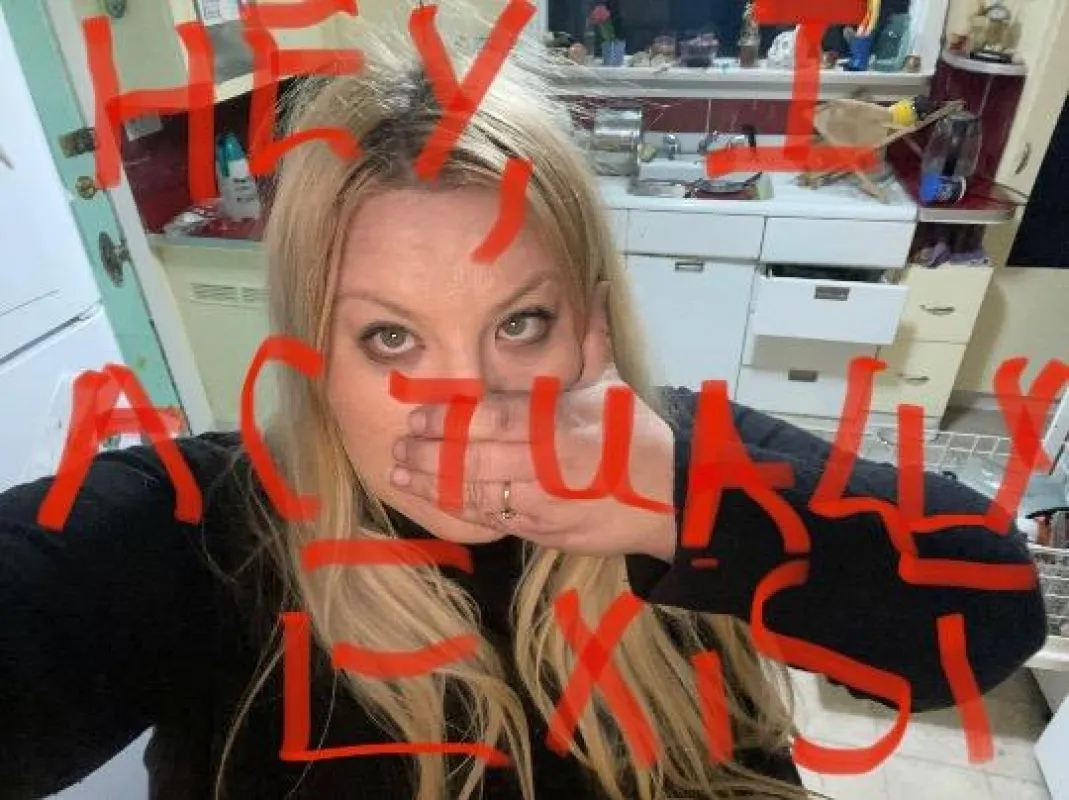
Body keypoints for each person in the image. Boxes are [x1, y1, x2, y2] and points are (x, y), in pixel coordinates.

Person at [0, 33, 1047, 800]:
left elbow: (989, 614)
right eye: (391, 337)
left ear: (588, 321)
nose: (470, 408)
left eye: (520, 323)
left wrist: (688, 503)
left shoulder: (671, 453)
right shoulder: (196, 534)